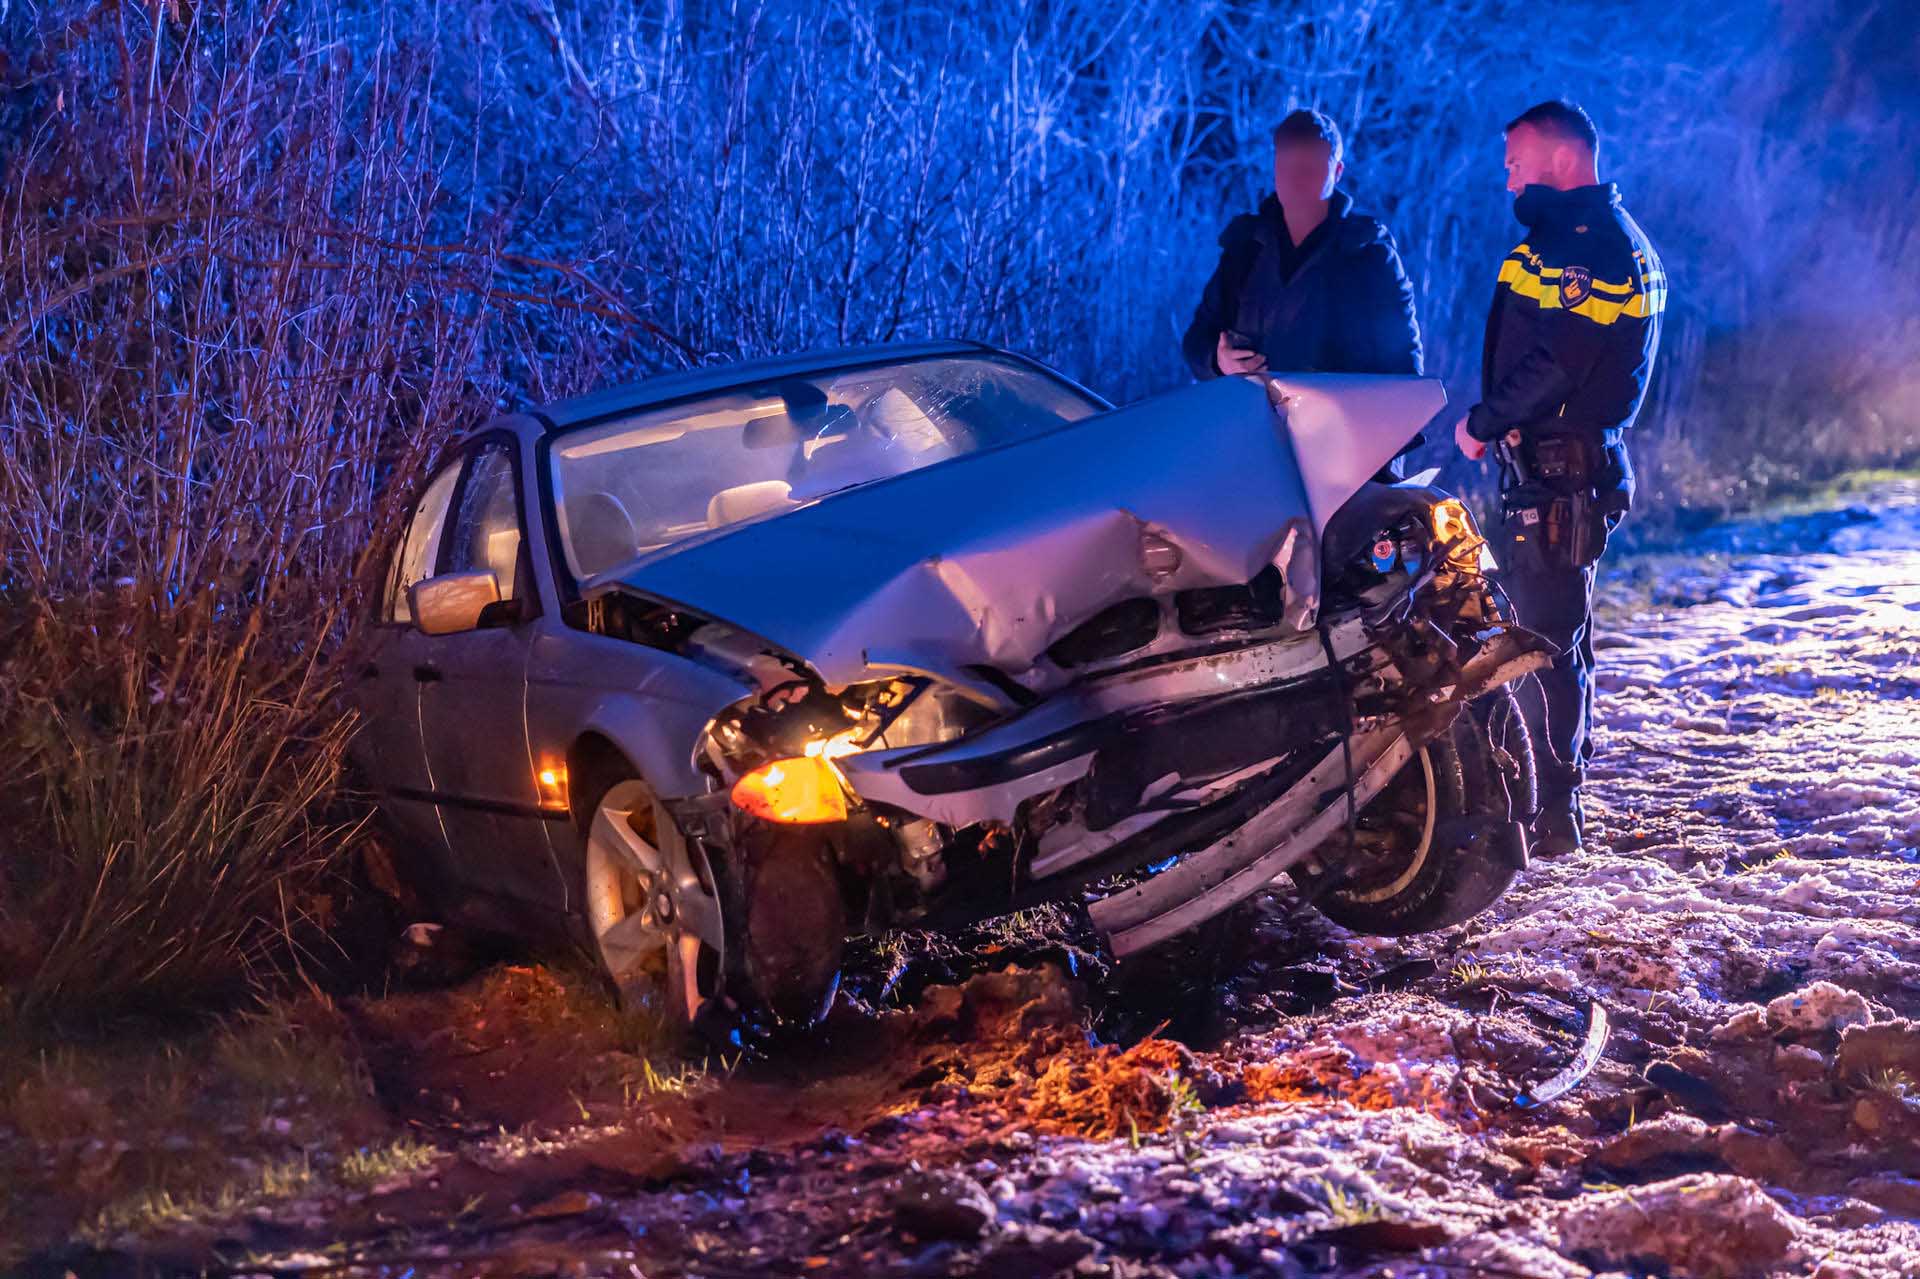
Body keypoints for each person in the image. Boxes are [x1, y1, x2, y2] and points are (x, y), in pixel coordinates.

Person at [1453, 99, 1667, 857]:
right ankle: (1553, 802)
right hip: (1554, 471)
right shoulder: (1571, 239)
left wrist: (1484, 420)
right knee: (1558, 638)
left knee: (1542, 643)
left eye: (1516, 163)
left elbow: (1560, 362)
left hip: (1562, 472)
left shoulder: (1593, 245)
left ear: (1563, 158)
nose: (1508, 179)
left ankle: (1550, 813)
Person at [1183, 109, 1423, 387]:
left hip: (1339, 414)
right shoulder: (1245, 249)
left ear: (1337, 171)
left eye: (1310, 168)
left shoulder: (1369, 255)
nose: (1296, 180)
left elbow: (1405, 373)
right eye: (1286, 167)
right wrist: (1218, 360)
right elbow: (1199, 339)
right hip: (1251, 412)